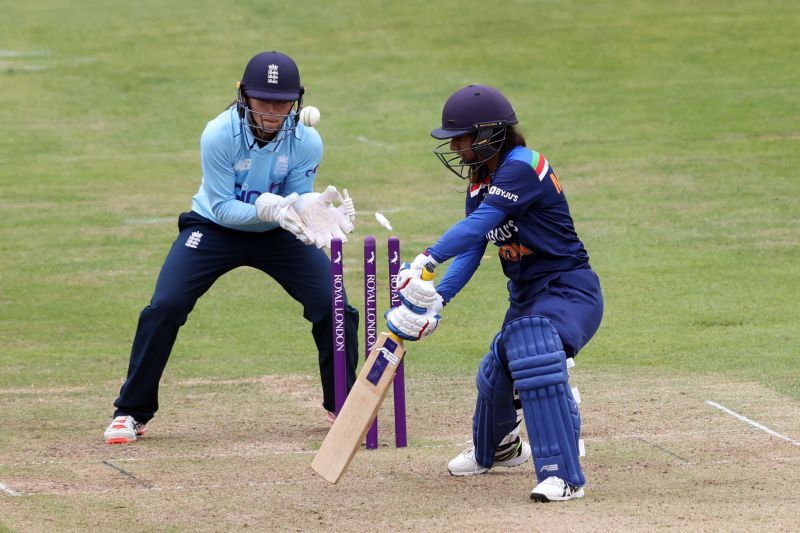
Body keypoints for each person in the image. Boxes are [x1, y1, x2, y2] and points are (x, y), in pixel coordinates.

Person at [103, 51, 359, 444]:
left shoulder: (307, 140)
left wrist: (305, 208)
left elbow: (296, 196)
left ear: (299, 99)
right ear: (242, 96)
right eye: (263, 100)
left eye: (283, 101)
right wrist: (267, 208)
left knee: (335, 303)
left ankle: (343, 403)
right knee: (165, 306)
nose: (273, 111)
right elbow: (222, 206)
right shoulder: (219, 134)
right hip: (214, 227)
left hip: (278, 230)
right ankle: (131, 412)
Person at [386, 85, 603, 502]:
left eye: (461, 137)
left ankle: (565, 477)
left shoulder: (523, 166)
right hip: (525, 297)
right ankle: (500, 450)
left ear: (489, 134)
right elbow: (472, 247)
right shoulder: (480, 184)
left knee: (534, 351)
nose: (455, 146)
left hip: (568, 288)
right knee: (496, 373)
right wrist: (437, 302)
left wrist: (427, 260)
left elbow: (481, 222)